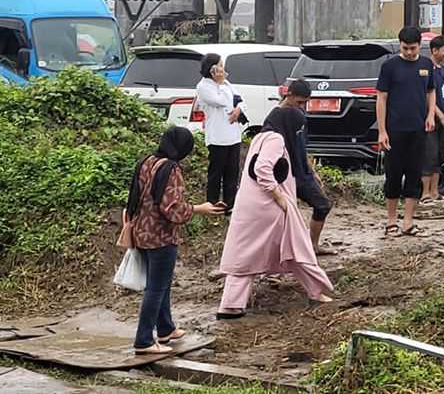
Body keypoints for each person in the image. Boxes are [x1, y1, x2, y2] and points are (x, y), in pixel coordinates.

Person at [216, 107, 334, 320]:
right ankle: (320, 292)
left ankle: (230, 306)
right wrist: (278, 196)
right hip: (270, 208)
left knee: (244, 256)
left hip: (249, 207)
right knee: (298, 249)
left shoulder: (260, 137)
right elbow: (262, 168)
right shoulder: (276, 140)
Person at [126, 126, 224, 355]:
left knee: (161, 283)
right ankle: (143, 340)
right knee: (156, 288)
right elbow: (172, 210)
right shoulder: (171, 169)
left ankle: (165, 328)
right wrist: (200, 209)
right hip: (161, 236)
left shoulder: (147, 161)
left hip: (141, 232)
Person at [377, 27, 436, 237]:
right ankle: (391, 221)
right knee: (393, 175)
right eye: (405, 48)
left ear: (420, 45)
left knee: (414, 175)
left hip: (418, 130)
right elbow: (381, 98)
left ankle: (408, 222)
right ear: (399, 45)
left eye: (413, 48)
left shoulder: (426, 65)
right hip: (394, 130)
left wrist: (430, 115)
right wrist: (382, 130)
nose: (409, 52)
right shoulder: (390, 66)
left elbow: (431, 91)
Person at [279, 79, 335, 255]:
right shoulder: (276, 117)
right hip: (285, 174)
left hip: (302, 173)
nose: (302, 106)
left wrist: (312, 170)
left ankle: (313, 245)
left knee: (323, 205)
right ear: (288, 95)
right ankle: (282, 253)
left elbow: (302, 147)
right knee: (283, 216)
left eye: (305, 102)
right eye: (299, 102)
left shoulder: (300, 116)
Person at [196, 53, 245, 214]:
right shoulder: (203, 87)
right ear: (212, 69)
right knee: (216, 172)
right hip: (217, 137)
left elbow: (240, 99)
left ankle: (230, 205)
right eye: (220, 66)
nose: (223, 70)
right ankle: (213, 203)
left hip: (233, 135)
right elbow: (221, 101)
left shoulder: (226, 83)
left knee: (232, 172)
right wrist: (221, 83)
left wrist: (239, 109)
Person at [421, 36, 444, 205]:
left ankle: (435, 192)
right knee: (429, 155)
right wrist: (440, 117)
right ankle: (425, 194)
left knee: (440, 155)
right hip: (431, 120)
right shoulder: (427, 70)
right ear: (434, 51)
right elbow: (427, 97)